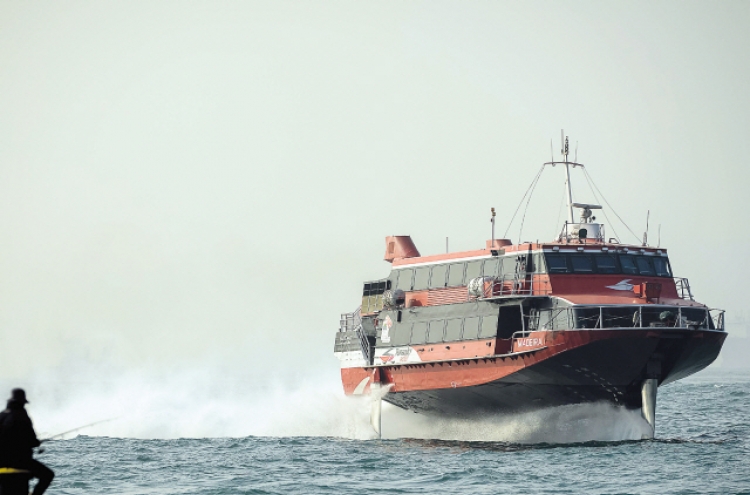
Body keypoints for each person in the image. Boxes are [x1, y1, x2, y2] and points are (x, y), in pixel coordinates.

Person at [0, 389, 54, 495]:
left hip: (1, 462)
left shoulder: (1, 416)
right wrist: (37, 443)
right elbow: (31, 440)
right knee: (48, 475)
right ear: (22, 402)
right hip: (20, 461)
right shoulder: (21, 415)